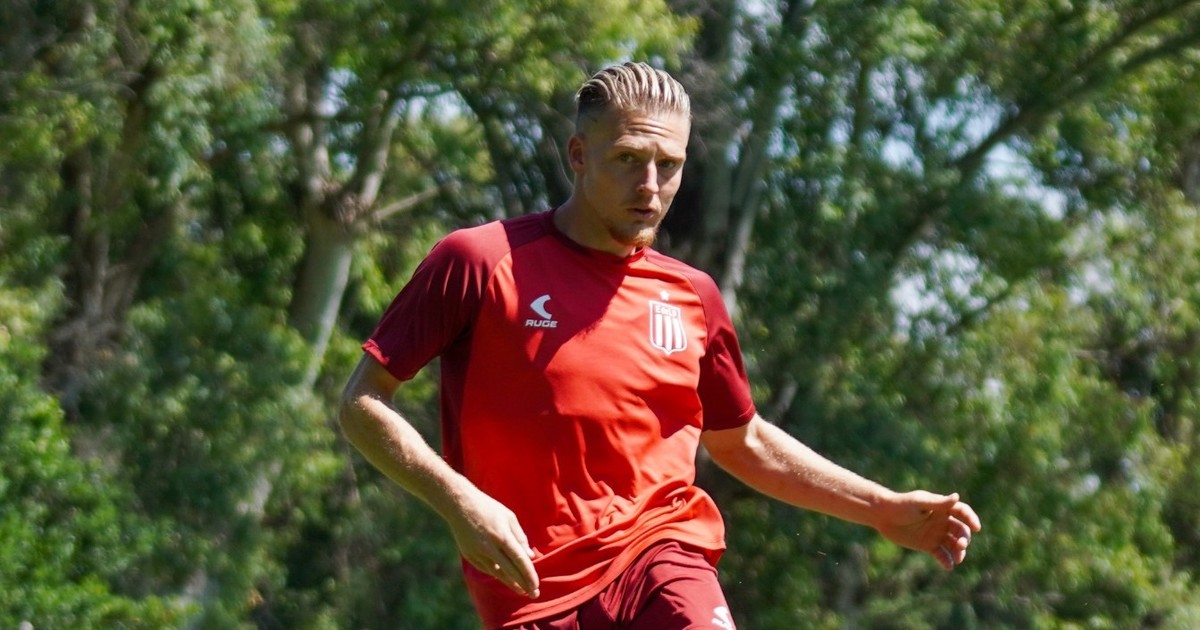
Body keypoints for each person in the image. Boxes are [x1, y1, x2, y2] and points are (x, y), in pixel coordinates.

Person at [339, 61, 981, 630]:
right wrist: (459, 501)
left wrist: (881, 508)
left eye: (668, 165)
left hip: (662, 555)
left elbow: (743, 442)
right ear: (578, 155)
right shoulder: (479, 261)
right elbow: (362, 402)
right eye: (628, 159)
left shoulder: (693, 295)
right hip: (529, 589)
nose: (650, 184)